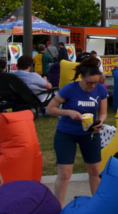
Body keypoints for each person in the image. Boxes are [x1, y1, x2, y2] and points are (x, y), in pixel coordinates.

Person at [45, 58, 108, 204]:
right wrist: (68, 112)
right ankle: (57, 208)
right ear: (82, 77)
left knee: (94, 171)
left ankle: (97, 207)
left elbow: (103, 113)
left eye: (95, 83)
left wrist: (101, 122)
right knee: (65, 174)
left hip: (90, 134)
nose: (92, 86)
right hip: (66, 134)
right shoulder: (69, 88)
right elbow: (50, 109)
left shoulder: (101, 89)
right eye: (89, 83)